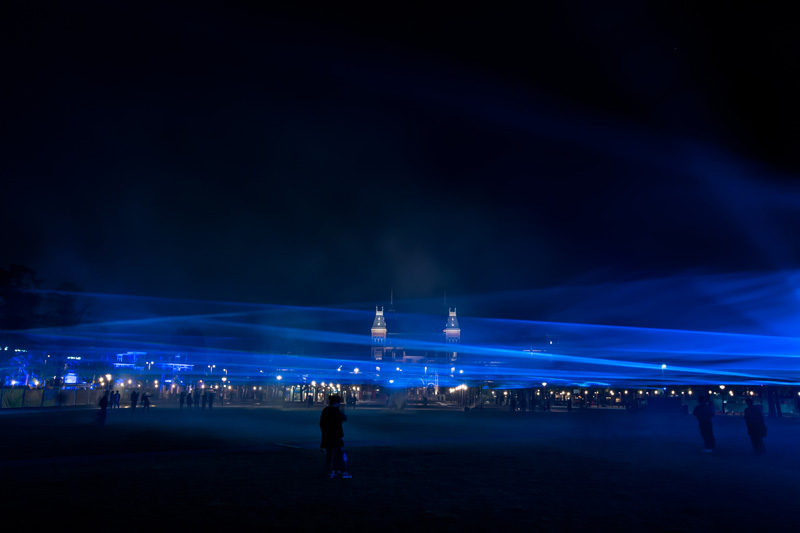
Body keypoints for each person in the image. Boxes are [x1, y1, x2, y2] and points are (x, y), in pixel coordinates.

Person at [319, 394, 351, 479]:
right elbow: (339, 424)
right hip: (336, 436)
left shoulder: (325, 410)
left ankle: (330, 471)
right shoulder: (337, 411)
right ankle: (340, 471)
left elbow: (322, 424)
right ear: (336, 402)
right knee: (339, 454)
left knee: (329, 455)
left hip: (327, 436)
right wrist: (341, 436)